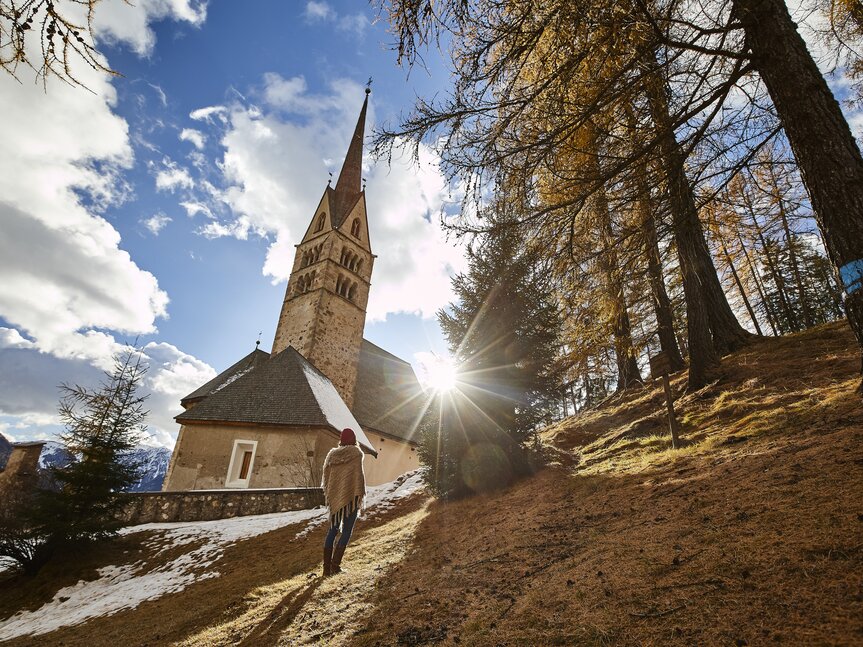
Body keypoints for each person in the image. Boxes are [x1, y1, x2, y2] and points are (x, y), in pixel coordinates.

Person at [321, 427, 366, 576]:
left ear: (341, 439)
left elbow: (326, 479)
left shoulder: (331, 456)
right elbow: (358, 477)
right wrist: (358, 493)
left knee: (332, 531)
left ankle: (326, 569)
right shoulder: (357, 454)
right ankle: (335, 566)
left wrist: (331, 494)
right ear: (354, 439)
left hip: (335, 499)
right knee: (346, 531)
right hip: (351, 498)